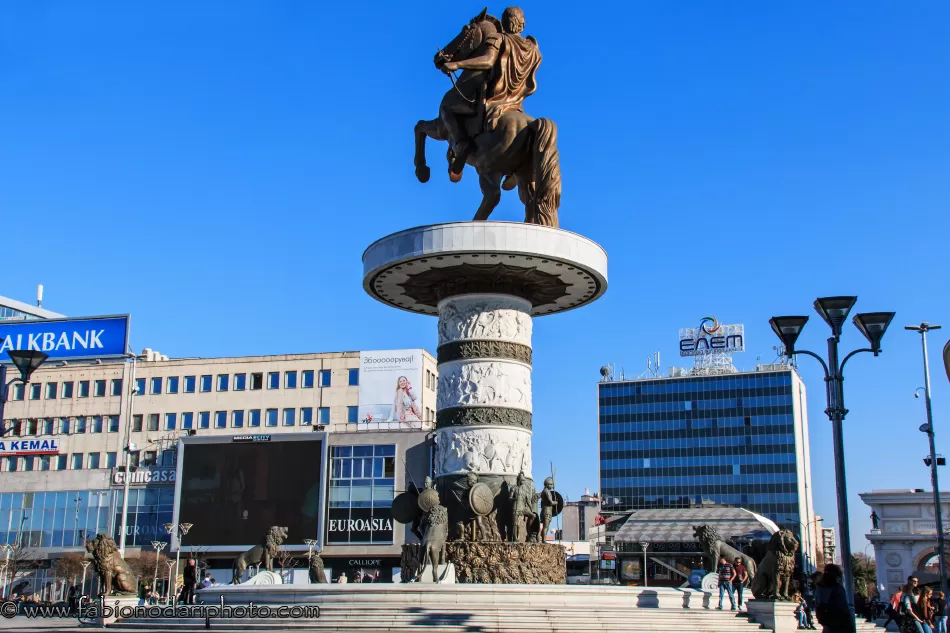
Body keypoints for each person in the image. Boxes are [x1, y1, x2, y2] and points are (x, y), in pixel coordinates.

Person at [814, 564, 855, 633]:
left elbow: (818, 605)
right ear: (836, 576)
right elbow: (843, 609)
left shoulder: (819, 588)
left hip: (827, 624)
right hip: (840, 625)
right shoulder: (838, 589)